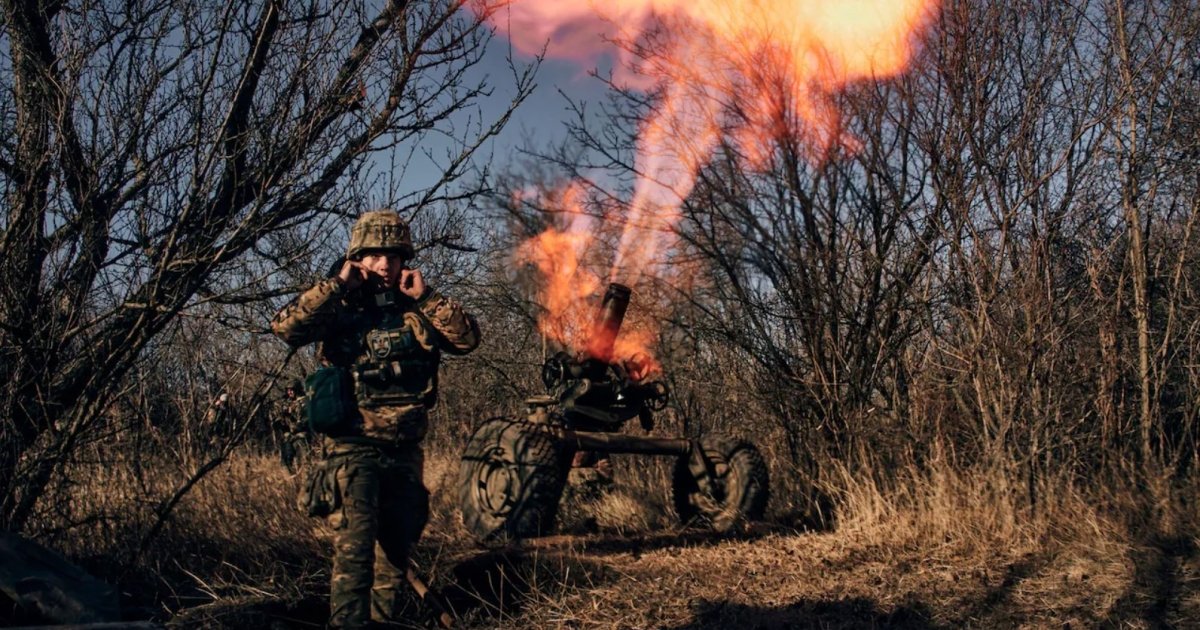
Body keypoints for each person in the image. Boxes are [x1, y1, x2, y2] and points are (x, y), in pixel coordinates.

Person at [270, 210, 480, 628]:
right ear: (357, 259)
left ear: (405, 260)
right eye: (374, 256)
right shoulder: (337, 305)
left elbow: (467, 339)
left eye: (393, 256)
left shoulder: (416, 307)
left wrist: (427, 296)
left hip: (404, 451)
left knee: (394, 556)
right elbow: (285, 327)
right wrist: (335, 286)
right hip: (352, 449)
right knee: (355, 550)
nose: (385, 265)